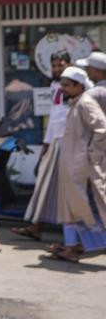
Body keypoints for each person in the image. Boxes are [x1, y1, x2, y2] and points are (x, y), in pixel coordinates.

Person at [42, 65, 106, 263]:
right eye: (62, 85)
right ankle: (71, 247)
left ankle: (73, 247)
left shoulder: (85, 103)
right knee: (71, 209)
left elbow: (102, 129)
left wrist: (91, 155)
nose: (63, 89)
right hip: (72, 167)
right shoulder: (75, 102)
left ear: (80, 85)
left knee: (87, 210)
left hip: (81, 168)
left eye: (67, 85)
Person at [14, 51, 72, 240]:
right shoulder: (55, 85)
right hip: (55, 142)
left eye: (60, 65)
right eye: (54, 65)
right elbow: (54, 117)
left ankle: (71, 240)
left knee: (66, 191)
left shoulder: (76, 87)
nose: (57, 69)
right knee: (44, 185)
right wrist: (46, 144)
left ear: (68, 64)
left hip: (69, 144)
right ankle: (36, 226)